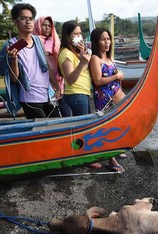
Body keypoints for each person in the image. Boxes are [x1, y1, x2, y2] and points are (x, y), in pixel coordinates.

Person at [0, 3, 62, 119]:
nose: (28, 22)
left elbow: (45, 66)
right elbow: (14, 79)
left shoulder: (38, 41)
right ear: (15, 22)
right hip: (30, 97)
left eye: (31, 19)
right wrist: (14, 59)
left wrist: (56, 86)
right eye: (23, 18)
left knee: (55, 127)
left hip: (48, 94)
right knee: (40, 131)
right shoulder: (11, 45)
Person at [58, 20, 102, 169]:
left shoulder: (74, 52)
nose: (79, 36)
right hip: (75, 94)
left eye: (80, 33)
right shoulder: (65, 53)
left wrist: (83, 56)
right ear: (67, 36)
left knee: (84, 126)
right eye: (75, 34)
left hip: (82, 93)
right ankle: (86, 159)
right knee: (83, 128)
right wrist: (83, 62)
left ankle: (82, 156)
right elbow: (70, 79)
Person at [89, 27, 127, 173]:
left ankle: (116, 150)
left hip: (118, 95)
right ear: (96, 41)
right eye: (103, 39)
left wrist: (118, 75)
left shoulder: (109, 58)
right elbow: (98, 80)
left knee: (120, 125)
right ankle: (111, 160)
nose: (107, 42)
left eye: (108, 39)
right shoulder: (95, 59)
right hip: (105, 100)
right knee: (108, 129)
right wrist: (116, 76)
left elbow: (113, 76)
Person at [33, 16, 70, 117]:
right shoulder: (34, 41)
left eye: (49, 25)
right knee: (53, 113)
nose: (47, 28)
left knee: (65, 111)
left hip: (60, 80)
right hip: (44, 82)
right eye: (44, 25)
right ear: (38, 26)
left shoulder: (55, 40)